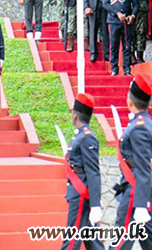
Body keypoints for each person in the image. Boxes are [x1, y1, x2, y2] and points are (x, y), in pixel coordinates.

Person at [111, 74, 152, 250]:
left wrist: (141, 205)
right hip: (141, 188)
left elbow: (143, 167)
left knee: (120, 242)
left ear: (129, 100)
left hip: (135, 191)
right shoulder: (144, 123)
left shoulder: (139, 127)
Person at [60, 93, 104, 250]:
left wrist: (95, 204)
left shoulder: (86, 137)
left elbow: (93, 171)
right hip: (80, 194)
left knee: (71, 242)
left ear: (75, 115)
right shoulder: (80, 136)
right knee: (94, 243)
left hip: (81, 195)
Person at [103, 0, 139, 76]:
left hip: (127, 21)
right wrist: (117, 13)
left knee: (127, 46)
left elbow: (136, 4)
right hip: (113, 21)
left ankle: (126, 68)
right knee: (113, 45)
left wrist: (133, 15)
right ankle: (114, 68)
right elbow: (105, 4)